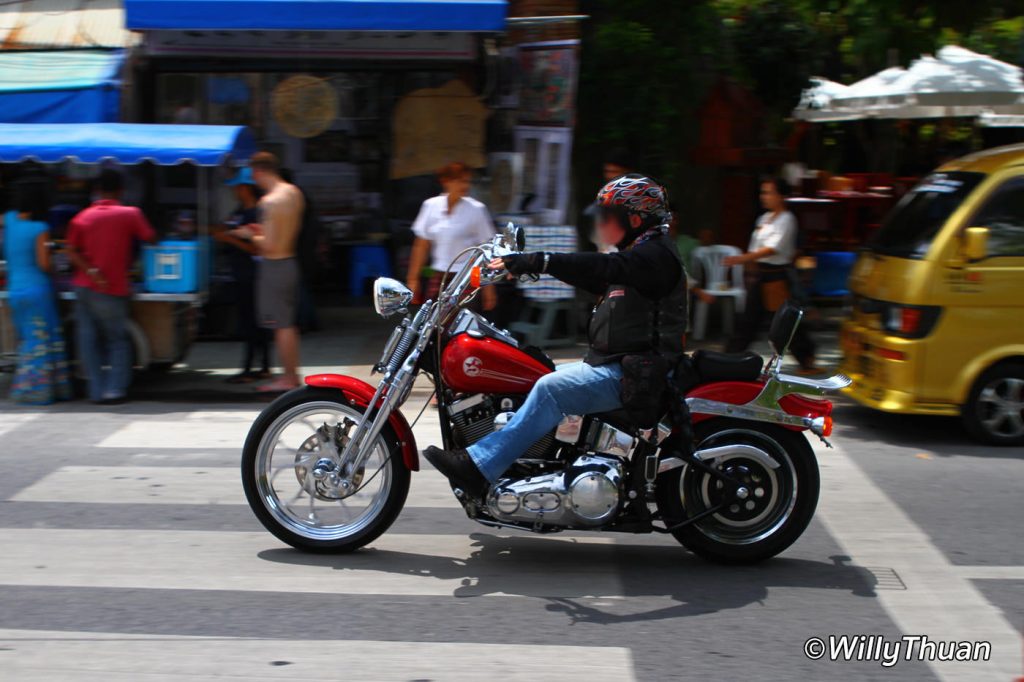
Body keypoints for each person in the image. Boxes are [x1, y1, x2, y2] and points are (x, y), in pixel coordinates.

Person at [424, 174, 688, 496]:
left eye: (611, 216)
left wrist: (542, 260)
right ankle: (529, 465)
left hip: (635, 372)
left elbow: (606, 268)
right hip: (618, 364)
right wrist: (526, 268)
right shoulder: (641, 253)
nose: (604, 224)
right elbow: (598, 277)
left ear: (635, 218)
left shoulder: (654, 256)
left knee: (551, 388)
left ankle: (479, 467)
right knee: (533, 373)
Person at [66, 169, 156, 404]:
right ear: (121, 191)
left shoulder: (82, 217)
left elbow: (70, 250)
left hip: (83, 287)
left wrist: (90, 270)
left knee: (88, 340)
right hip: (111, 288)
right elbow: (151, 237)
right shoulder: (130, 214)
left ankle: (96, 391)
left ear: (96, 191)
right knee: (117, 339)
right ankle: (114, 390)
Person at [723, 176, 818, 372]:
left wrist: (742, 259)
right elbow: (757, 248)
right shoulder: (763, 219)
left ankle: (807, 357)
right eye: (762, 192)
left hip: (777, 277)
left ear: (781, 196)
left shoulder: (787, 220)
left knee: (786, 321)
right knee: (748, 320)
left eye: (769, 192)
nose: (764, 196)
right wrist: (748, 265)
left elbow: (771, 249)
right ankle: (729, 358)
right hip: (762, 275)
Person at [229, 152, 304, 392]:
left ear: (259, 172)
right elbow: (284, 231)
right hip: (290, 261)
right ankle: (292, 375)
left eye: (253, 176)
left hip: (274, 265)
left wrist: (249, 235)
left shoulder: (269, 201)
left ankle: (288, 378)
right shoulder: (294, 193)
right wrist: (263, 230)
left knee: (280, 325)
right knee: (288, 324)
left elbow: (269, 244)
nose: (254, 181)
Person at [2, 175, 71, 405]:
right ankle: (37, 391)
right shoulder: (39, 228)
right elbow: (43, 264)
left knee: (27, 340)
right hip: (36, 290)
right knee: (41, 340)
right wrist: (55, 262)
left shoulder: (9, 219)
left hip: (15, 291)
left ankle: (30, 388)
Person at [406, 162, 496, 311]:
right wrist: (413, 280)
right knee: (433, 325)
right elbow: (421, 245)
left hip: (467, 278)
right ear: (446, 182)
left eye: (467, 181)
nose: (465, 185)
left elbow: (487, 250)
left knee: (460, 324)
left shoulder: (476, 210)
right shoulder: (431, 206)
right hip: (439, 276)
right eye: (460, 181)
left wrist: (488, 289)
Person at [213, 167, 270, 383]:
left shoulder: (257, 214)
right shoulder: (240, 212)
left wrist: (229, 239)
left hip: (252, 275)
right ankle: (260, 367)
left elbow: (256, 249)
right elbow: (225, 228)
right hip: (241, 273)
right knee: (251, 322)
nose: (235, 191)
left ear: (245, 188)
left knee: (253, 323)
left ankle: (251, 369)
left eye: (237, 187)